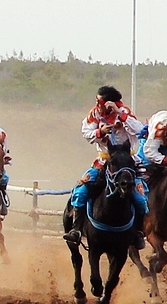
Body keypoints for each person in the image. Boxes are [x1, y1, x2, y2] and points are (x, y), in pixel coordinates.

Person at [63, 86, 148, 249]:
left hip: (125, 163)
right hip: (103, 161)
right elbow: (86, 132)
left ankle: (138, 232)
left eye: (99, 101)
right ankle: (76, 229)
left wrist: (120, 114)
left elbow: (140, 130)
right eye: (97, 100)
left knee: (140, 198)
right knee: (80, 191)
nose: (97, 104)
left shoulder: (124, 112)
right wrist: (100, 132)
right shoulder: (94, 114)